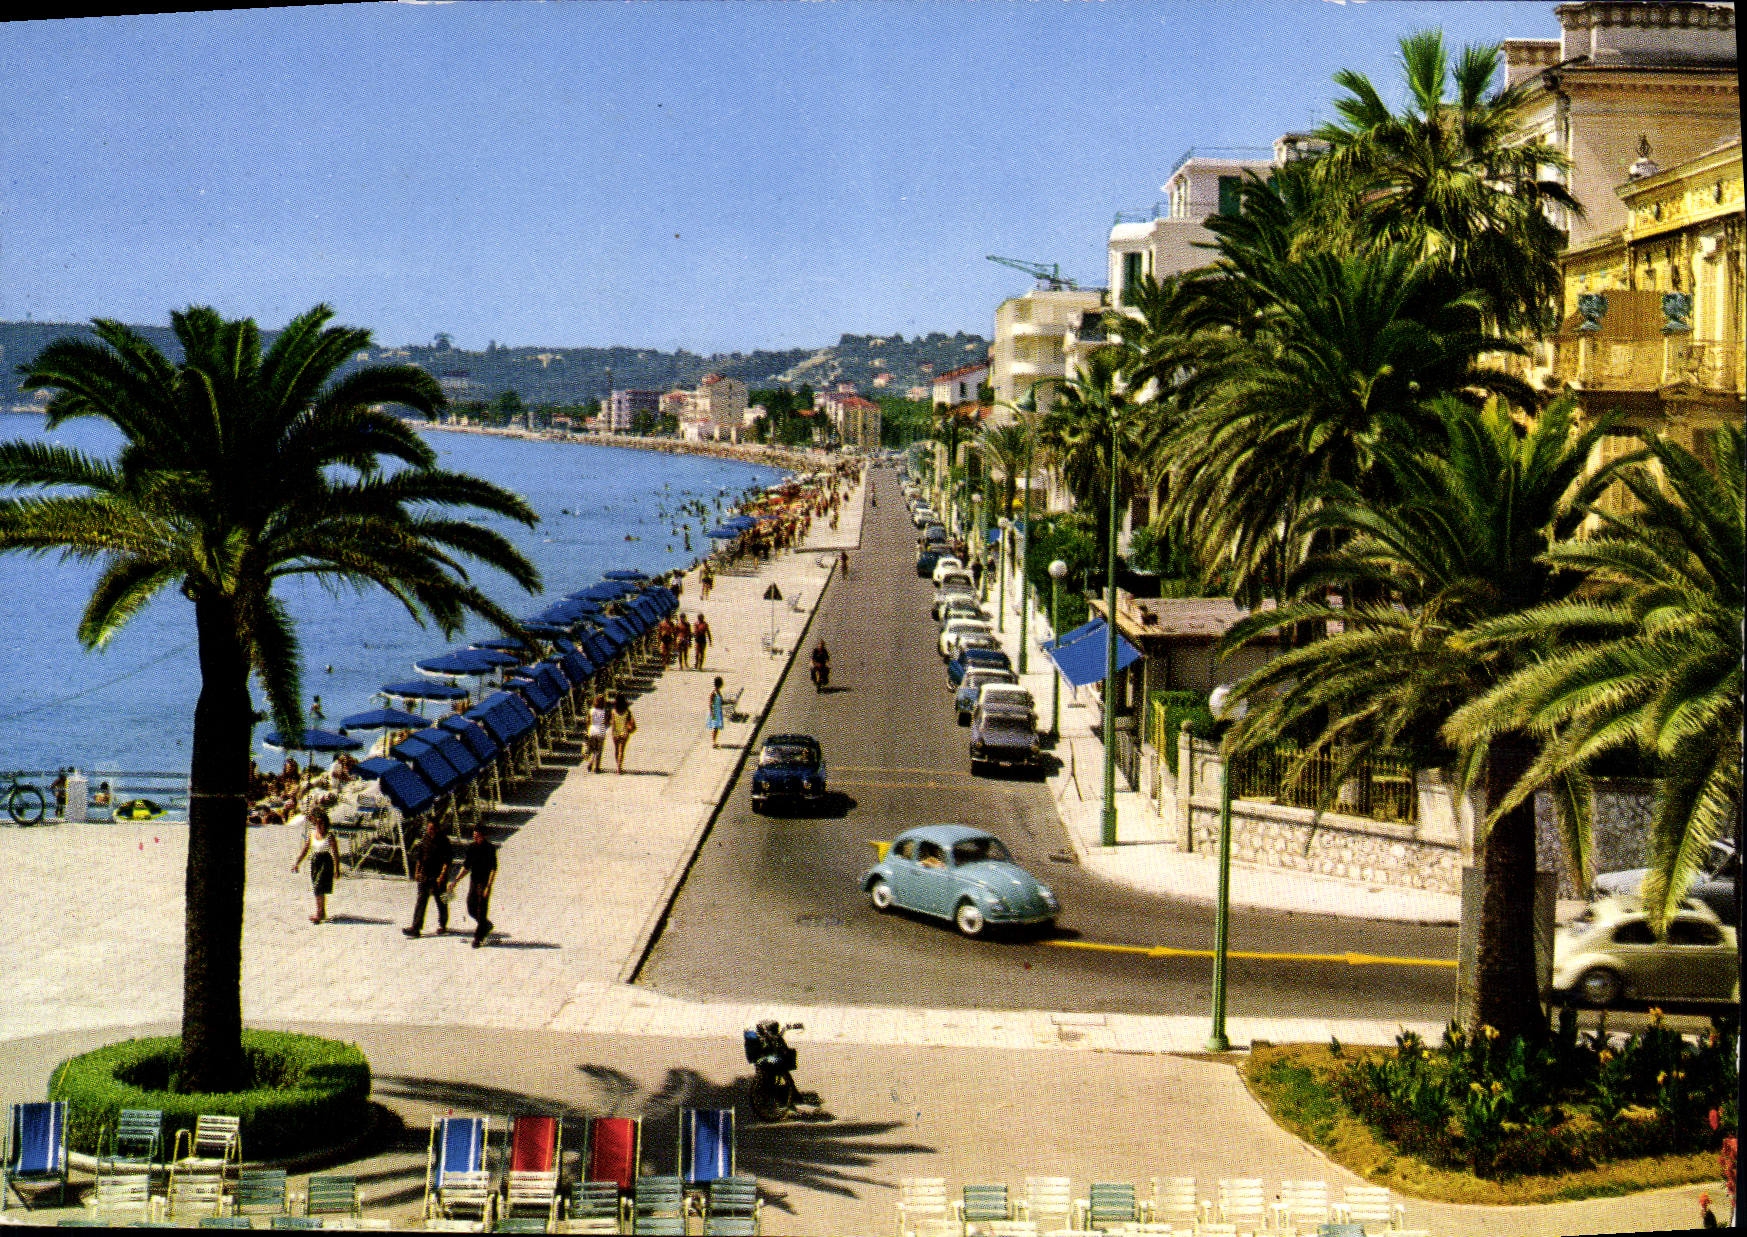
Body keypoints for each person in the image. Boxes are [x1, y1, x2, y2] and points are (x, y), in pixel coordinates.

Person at [403, 817, 454, 937]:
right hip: (425, 875)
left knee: (441, 901)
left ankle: (443, 925)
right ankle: (415, 928)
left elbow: (448, 861)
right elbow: (420, 858)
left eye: (431, 828)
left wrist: (442, 875)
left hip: (438, 876)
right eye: (428, 828)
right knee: (421, 900)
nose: (429, 830)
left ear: (436, 829)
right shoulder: (424, 839)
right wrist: (417, 872)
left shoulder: (444, 841)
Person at [291, 807, 337, 924]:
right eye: (317, 823)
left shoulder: (330, 836)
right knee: (318, 888)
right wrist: (297, 863)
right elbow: (305, 850)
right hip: (315, 862)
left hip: (326, 862)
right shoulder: (312, 834)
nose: (319, 825)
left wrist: (337, 869)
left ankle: (319, 913)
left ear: (326, 824)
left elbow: (336, 854)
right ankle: (322, 912)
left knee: (318, 886)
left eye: (321, 823)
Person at [456, 822, 497, 948]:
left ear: (483, 836)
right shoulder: (471, 848)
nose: (475, 837)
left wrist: (488, 887)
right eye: (474, 835)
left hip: (484, 882)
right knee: (471, 907)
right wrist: (455, 881)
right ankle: (486, 925)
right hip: (474, 881)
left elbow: (493, 869)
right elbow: (466, 867)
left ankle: (478, 938)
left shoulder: (490, 849)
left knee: (481, 910)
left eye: (477, 835)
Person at [609, 693, 637, 774]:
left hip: (616, 732)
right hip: (624, 732)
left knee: (616, 750)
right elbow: (630, 722)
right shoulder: (627, 711)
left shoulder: (613, 711)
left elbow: (613, 723)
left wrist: (613, 733)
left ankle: (617, 765)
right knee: (621, 750)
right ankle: (619, 768)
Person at [586, 694, 609, 772]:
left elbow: (588, 721)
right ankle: (597, 767)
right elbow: (605, 723)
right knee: (599, 750)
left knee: (593, 749)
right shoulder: (604, 712)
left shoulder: (591, 710)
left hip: (592, 730)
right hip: (600, 731)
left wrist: (587, 731)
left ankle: (590, 763)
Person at [707, 676, 726, 748]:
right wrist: (712, 713)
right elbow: (710, 703)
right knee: (715, 728)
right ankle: (713, 743)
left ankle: (714, 742)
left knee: (716, 728)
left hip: (718, 711)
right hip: (715, 712)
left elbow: (721, 701)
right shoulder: (714, 693)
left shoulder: (718, 691)